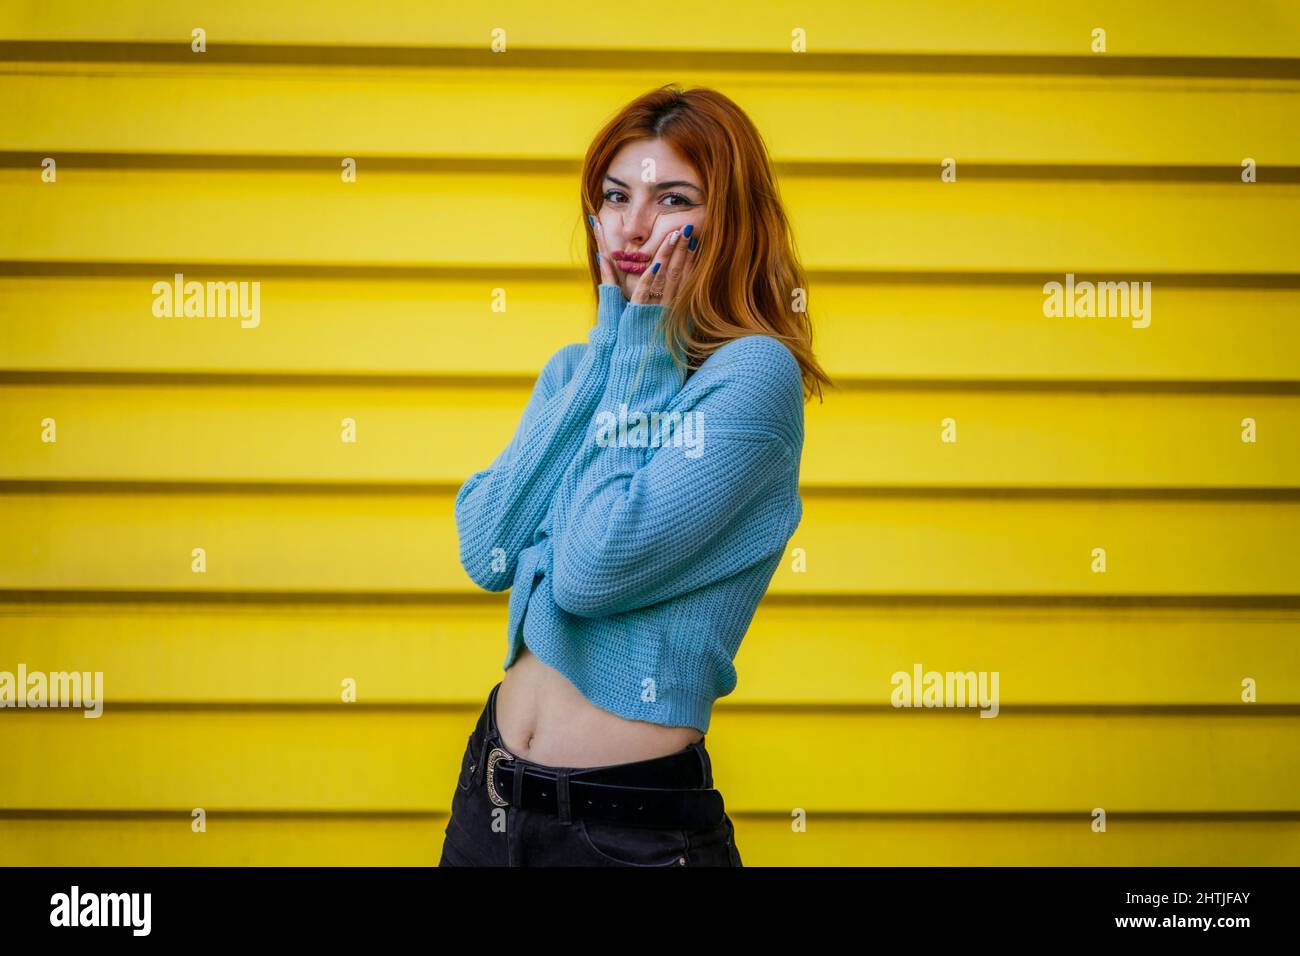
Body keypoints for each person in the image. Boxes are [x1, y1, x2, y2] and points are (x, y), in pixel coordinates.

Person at [440, 84, 831, 866]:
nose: (634, 224)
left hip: (626, 833)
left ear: (729, 220)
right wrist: (607, 360)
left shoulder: (753, 377)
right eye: (615, 197)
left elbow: (591, 571)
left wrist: (641, 344)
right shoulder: (578, 371)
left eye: (672, 197)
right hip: (488, 803)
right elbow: (484, 548)